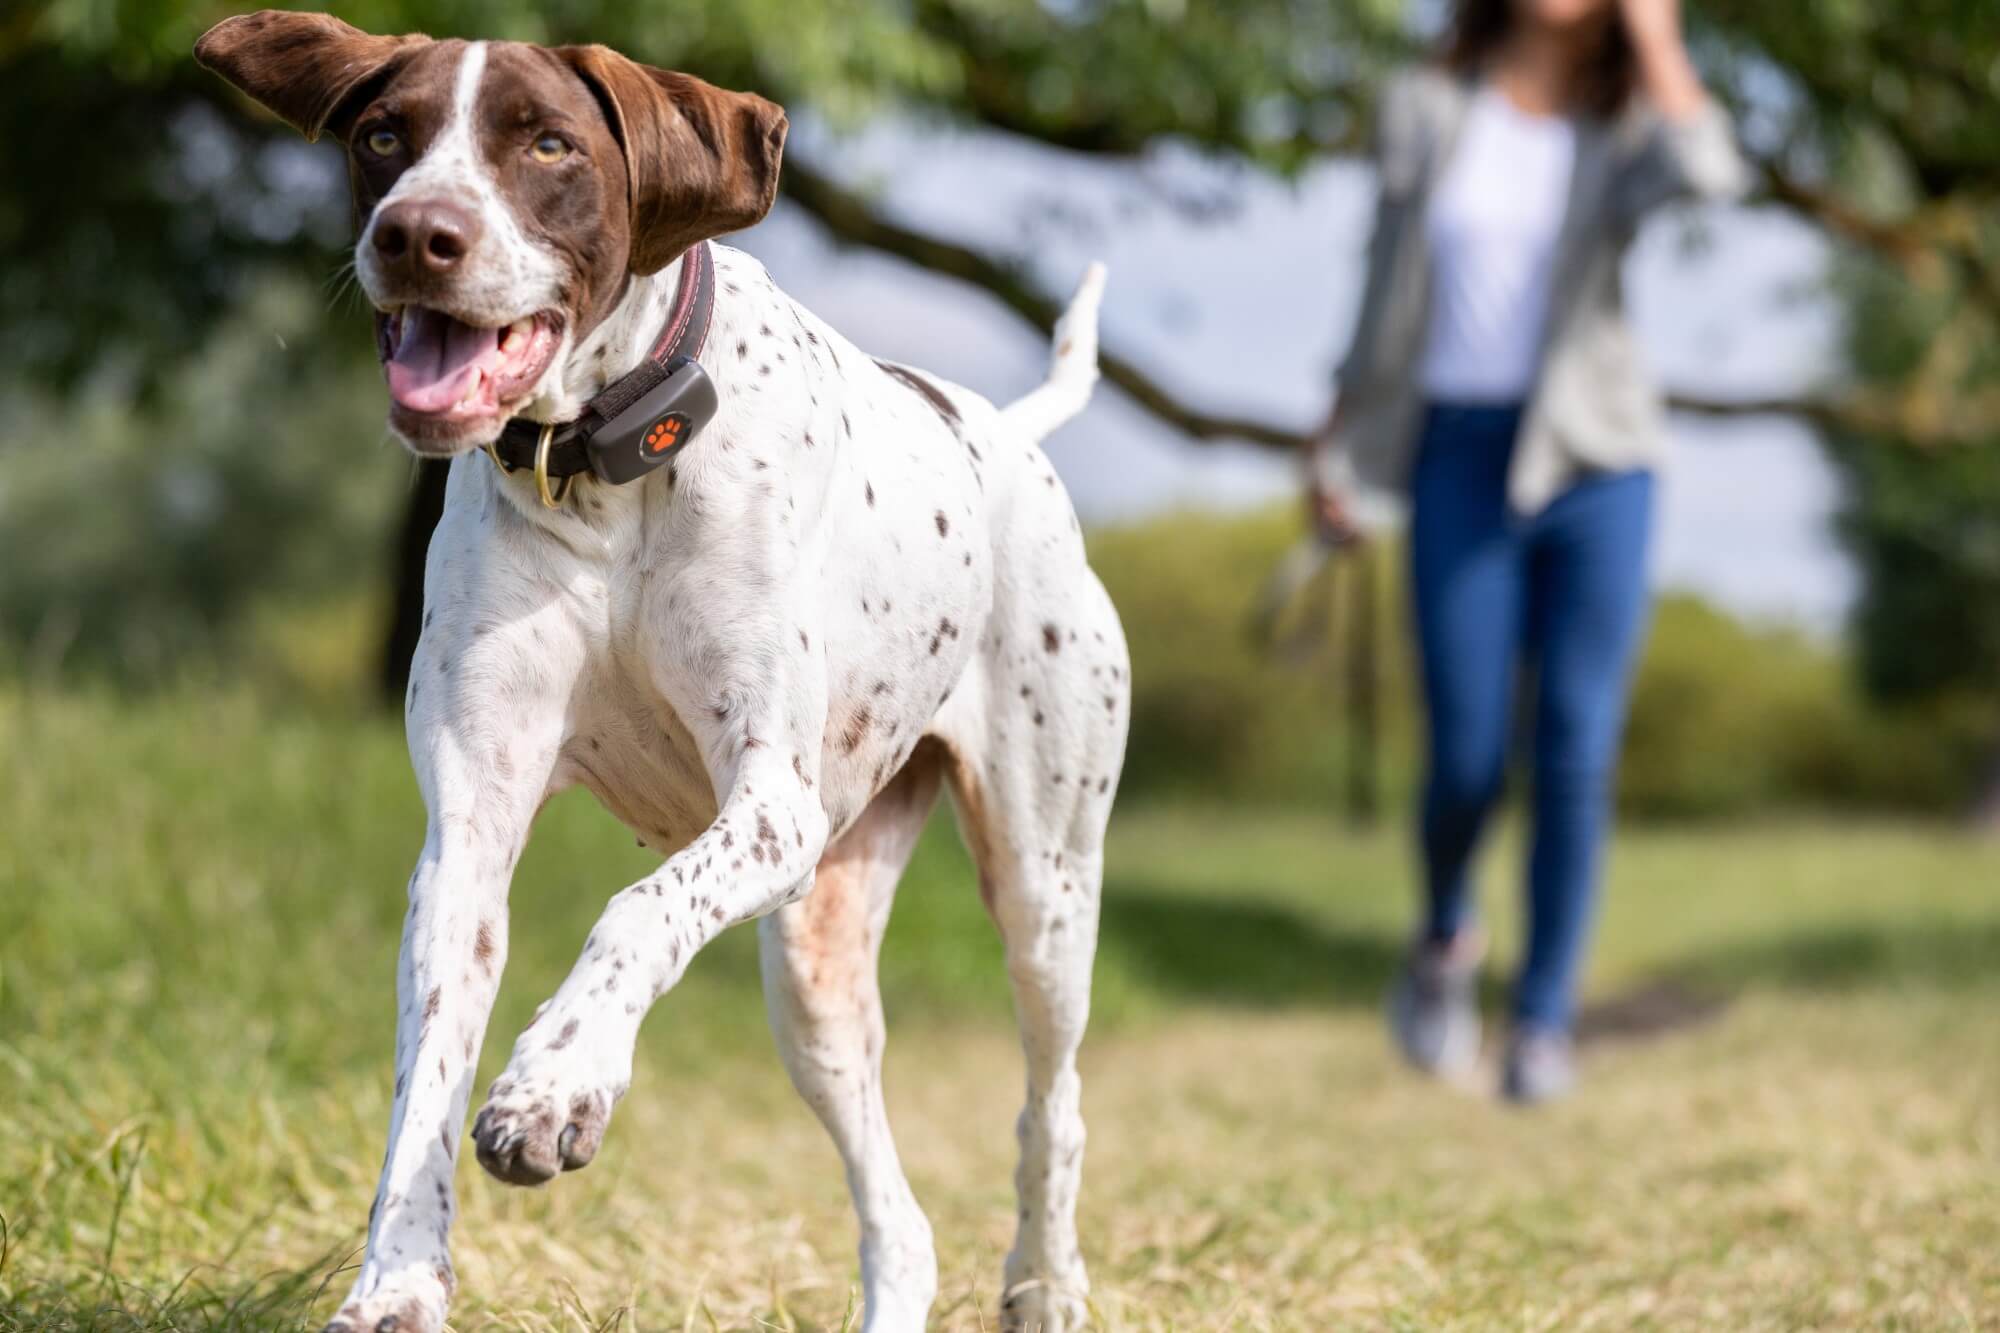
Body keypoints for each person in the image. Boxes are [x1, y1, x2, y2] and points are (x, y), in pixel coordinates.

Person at [1306, 0, 1747, 1102]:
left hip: (1598, 459)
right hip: (1455, 450)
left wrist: (1657, 40)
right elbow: (1380, 283)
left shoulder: (1622, 123)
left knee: (1573, 747)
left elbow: (1712, 173)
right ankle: (1446, 931)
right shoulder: (1425, 102)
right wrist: (1341, 438)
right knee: (1462, 753)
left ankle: (1542, 1020)